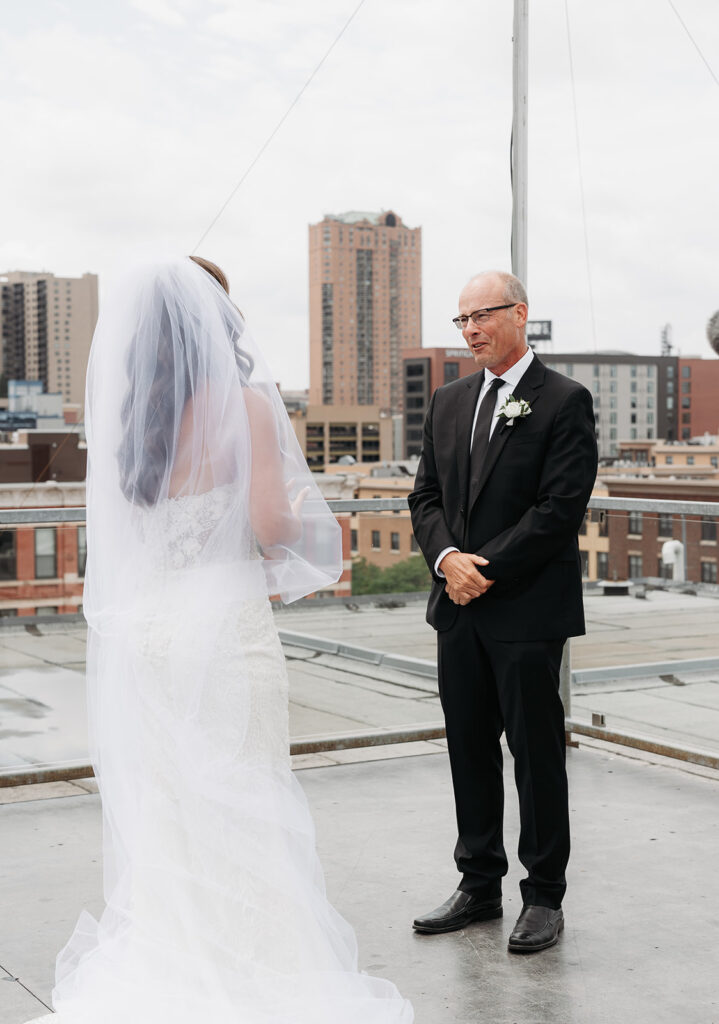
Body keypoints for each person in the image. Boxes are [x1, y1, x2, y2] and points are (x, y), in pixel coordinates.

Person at [27, 257, 413, 1023]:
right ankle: (254, 982)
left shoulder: (134, 420)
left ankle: (178, 969)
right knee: (245, 802)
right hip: (224, 631)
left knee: (174, 811)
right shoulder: (247, 407)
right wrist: (299, 509)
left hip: (151, 635)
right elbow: (272, 527)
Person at [408, 270, 597, 953]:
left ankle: (544, 895)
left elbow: (557, 511)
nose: (470, 331)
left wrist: (477, 570)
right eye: (461, 320)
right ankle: (478, 883)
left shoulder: (564, 400)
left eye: (481, 316)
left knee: (535, 755)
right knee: (468, 748)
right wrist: (445, 560)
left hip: (525, 611)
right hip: (457, 610)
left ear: (519, 313)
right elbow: (424, 497)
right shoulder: (448, 400)